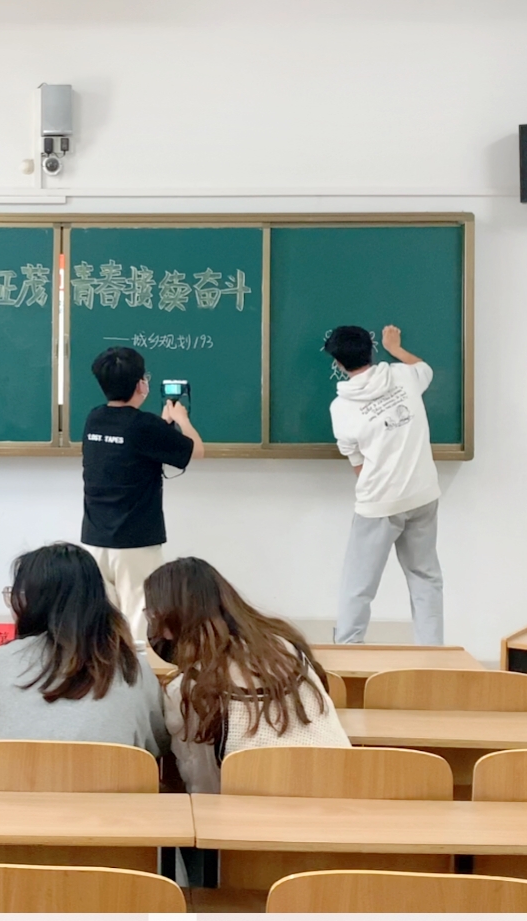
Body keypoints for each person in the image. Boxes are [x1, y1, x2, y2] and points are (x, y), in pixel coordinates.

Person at [145, 557, 349, 793]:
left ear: (167, 624)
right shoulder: (288, 647)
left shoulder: (188, 690)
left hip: (255, 812)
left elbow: (202, 789)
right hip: (338, 796)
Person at [0, 543, 169, 755]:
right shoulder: (133, 668)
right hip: (110, 777)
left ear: (30, 604)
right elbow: (157, 746)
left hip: (13, 777)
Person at [326, 324, 444, 645]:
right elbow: (425, 369)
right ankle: (432, 653)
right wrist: (397, 349)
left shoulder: (341, 408)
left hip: (379, 503)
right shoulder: (403, 376)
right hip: (422, 494)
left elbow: (357, 463)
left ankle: (348, 652)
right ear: (372, 350)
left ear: (338, 364)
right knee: (425, 578)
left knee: (358, 586)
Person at [80, 347, 202, 641]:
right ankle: (139, 671)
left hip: (95, 539)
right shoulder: (144, 426)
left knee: (102, 622)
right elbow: (195, 450)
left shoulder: (94, 418)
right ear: (140, 385)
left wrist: (163, 424)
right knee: (140, 616)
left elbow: (131, 441)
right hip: (135, 541)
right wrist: (182, 419)